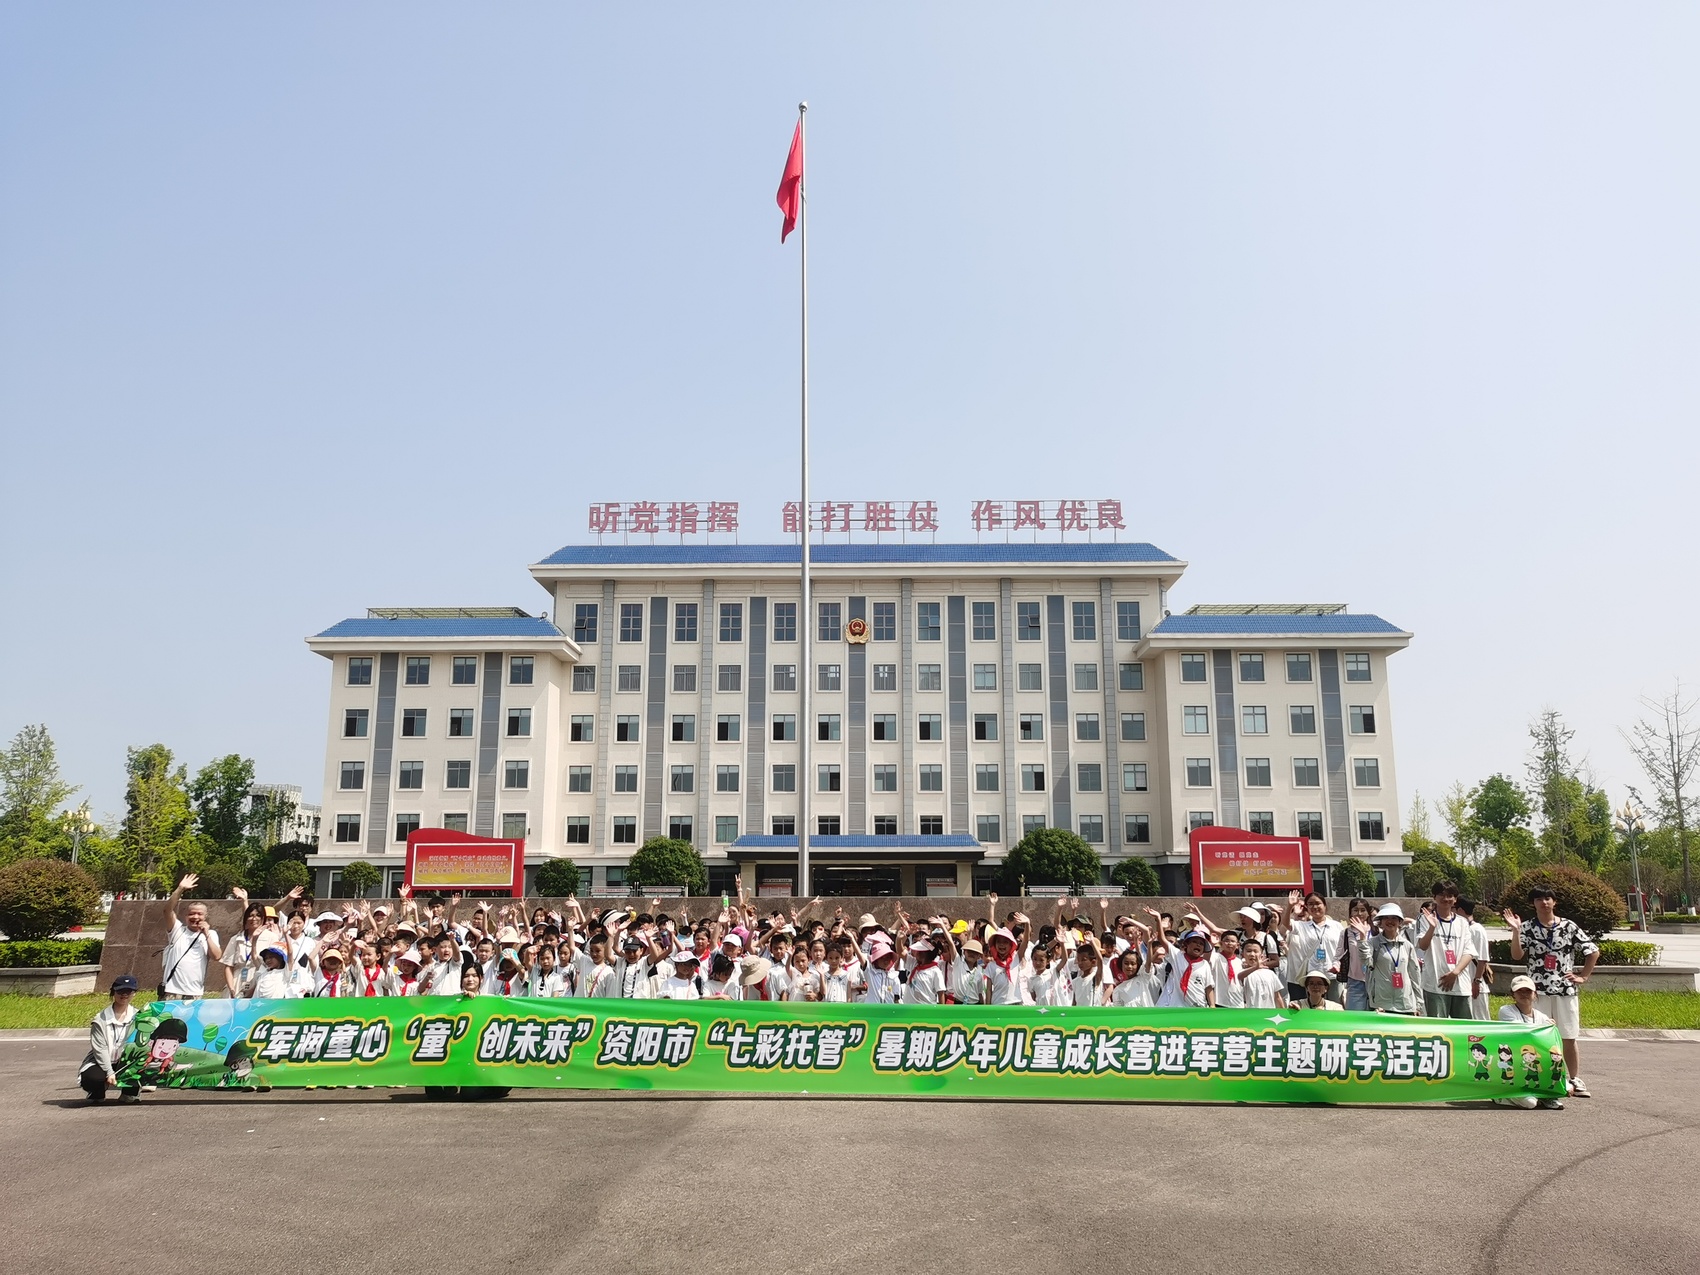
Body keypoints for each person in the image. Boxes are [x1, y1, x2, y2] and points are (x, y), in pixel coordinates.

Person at [1504, 886, 1600, 1099]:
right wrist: (1516, 931)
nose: (1544, 902)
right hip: (1537, 991)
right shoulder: (1527, 927)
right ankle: (1540, 1077)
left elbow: (1592, 951)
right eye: (1539, 899)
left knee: (1568, 1035)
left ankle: (1573, 1078)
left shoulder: (1568, 926)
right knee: (1538, 1036)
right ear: (1533, 903)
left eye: (1548, 898)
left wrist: (1583, 976)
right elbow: (1517, 955)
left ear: (1554, 902)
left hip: (1565, 990)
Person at [1495, 974, 1564, 1110]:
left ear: (1535, 994)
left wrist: (1550, 1026)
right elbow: (1521, 1029)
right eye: (1519, 991)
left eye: (1528, 991)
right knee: (1530, 1104)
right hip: (1515, 1063)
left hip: (1533, 1063)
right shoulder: (1506, 1011)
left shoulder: (1541, 1016)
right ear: (1513, 994)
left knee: (1564, 1083)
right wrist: (1544, 1026)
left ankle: (1546, 1095)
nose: (1524, 994)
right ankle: (1502, 1096)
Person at [1415, 881, 1477, 1019]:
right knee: (1437, 1028)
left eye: (1450, 895)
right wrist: (1432, 927)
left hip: (1460, 985)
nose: (1446, 899)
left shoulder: (1462, 922)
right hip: (1435, 984)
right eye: (1441, 895)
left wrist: (1455, 972)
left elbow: (1469, 952)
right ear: (1434, 897)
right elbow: (1423, 946)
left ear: (1455, 899)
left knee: (1463, 1028)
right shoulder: (1424, 919)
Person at [79, 975, 140, 1103]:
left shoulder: (139, 1016)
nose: (124, 994)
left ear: (134, 993)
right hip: (101, 1061)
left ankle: (130, 1093)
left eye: (128, 991)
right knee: (91, 1077)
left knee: (141, 1066)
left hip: (126, 1061)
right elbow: (100, 1049)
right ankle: (97, 1093)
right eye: (120, 991)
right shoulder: (100, 1019)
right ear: (113, 992)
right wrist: (109, 1072)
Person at [160, 874, 222, 999]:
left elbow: (217, 956)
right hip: (172, 991)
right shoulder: (177, 930)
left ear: (205, 916)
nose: (195, 917)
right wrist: (180, 889)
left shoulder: (211, 934)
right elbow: (167, 911)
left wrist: (206, 934)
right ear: (186, 916)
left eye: (199, 914)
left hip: (194, 992)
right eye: (191, 914)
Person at [1355, 903, 1422, 1015]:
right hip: (1381, 1004)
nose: (1390, 921)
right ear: (1380, 922)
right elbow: (1366, 961)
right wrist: (1362, 938)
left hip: (1405, 1004)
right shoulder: (1373, 942)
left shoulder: (1407, 945)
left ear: (1400, 922)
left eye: (1394, 918)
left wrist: (1419, 1004)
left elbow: (1415, 975)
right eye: (1386, 918)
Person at [1239, 943, 1285, 1009]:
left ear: (1261, 955)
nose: (1252, 954)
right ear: (1242, 954)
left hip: (1269, 1012)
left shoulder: (1270, 973)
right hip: (1249, 1013)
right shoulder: (1241, 973)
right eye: (1248, 951)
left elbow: (1277, 996)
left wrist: (1283, 1012)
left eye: (1255, 951)